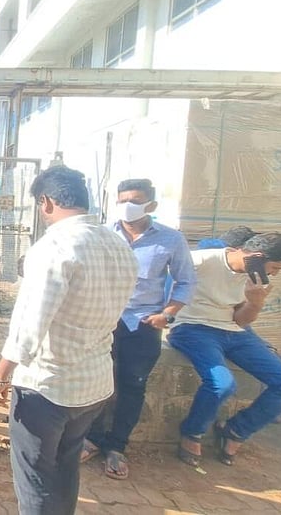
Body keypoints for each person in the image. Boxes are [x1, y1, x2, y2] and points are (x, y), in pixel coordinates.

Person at [0, 166, 137, 515]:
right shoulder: (119, 245)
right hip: (94, 385)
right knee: (67, 466)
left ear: (47, 202)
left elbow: (28, 326)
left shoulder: (54, 246)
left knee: (35, 476)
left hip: (47, 388)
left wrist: (0, 376)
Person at [82, 178, 196, 480]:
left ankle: (117, 446)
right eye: (122, 201)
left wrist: (168, 315)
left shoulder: (170, 240)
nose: (127, 206)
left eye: (134, 200)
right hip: (103, 319)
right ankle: (91, 439)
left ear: (151, 205)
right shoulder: (103, 235)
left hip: (144, 323)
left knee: (133, 385)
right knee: (97, 381)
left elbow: (186, 281)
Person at [170, 232, 281, 467]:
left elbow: (241, 321)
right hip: (193, 328)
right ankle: (192, 432)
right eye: (275, 268)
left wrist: (255, 302)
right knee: (222, 385)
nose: (273, 274)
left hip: (234, 331)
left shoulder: (255, 279)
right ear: (258, 257)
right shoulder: (201, 261)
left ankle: (235, 431)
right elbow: (165, 289)